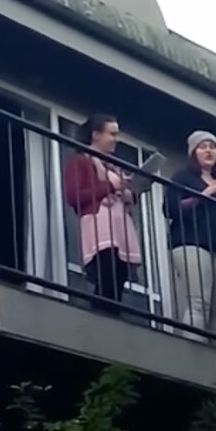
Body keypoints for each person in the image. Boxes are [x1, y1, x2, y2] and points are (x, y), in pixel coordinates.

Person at [63, 114, 141, 315]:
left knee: (117, 282)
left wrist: (129, 191)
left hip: (120, 229)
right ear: (96, 135)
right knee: (106, 276)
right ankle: (101, 322)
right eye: (112, 134)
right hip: (100, 228)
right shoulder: (80, 161)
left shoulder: (113, 166)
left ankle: (110, 320)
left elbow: (121, 193)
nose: (116, 138)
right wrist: (110, 185)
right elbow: (74, 197)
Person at [164, 130, 216, 338]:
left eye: (213, 147)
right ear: (193, 153)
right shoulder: (183, 177)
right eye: (203, 147)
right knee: (199, 303)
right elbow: (170, 209)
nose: (209, 151)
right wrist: (203, 196)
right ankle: (191, 351)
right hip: (190, 242)